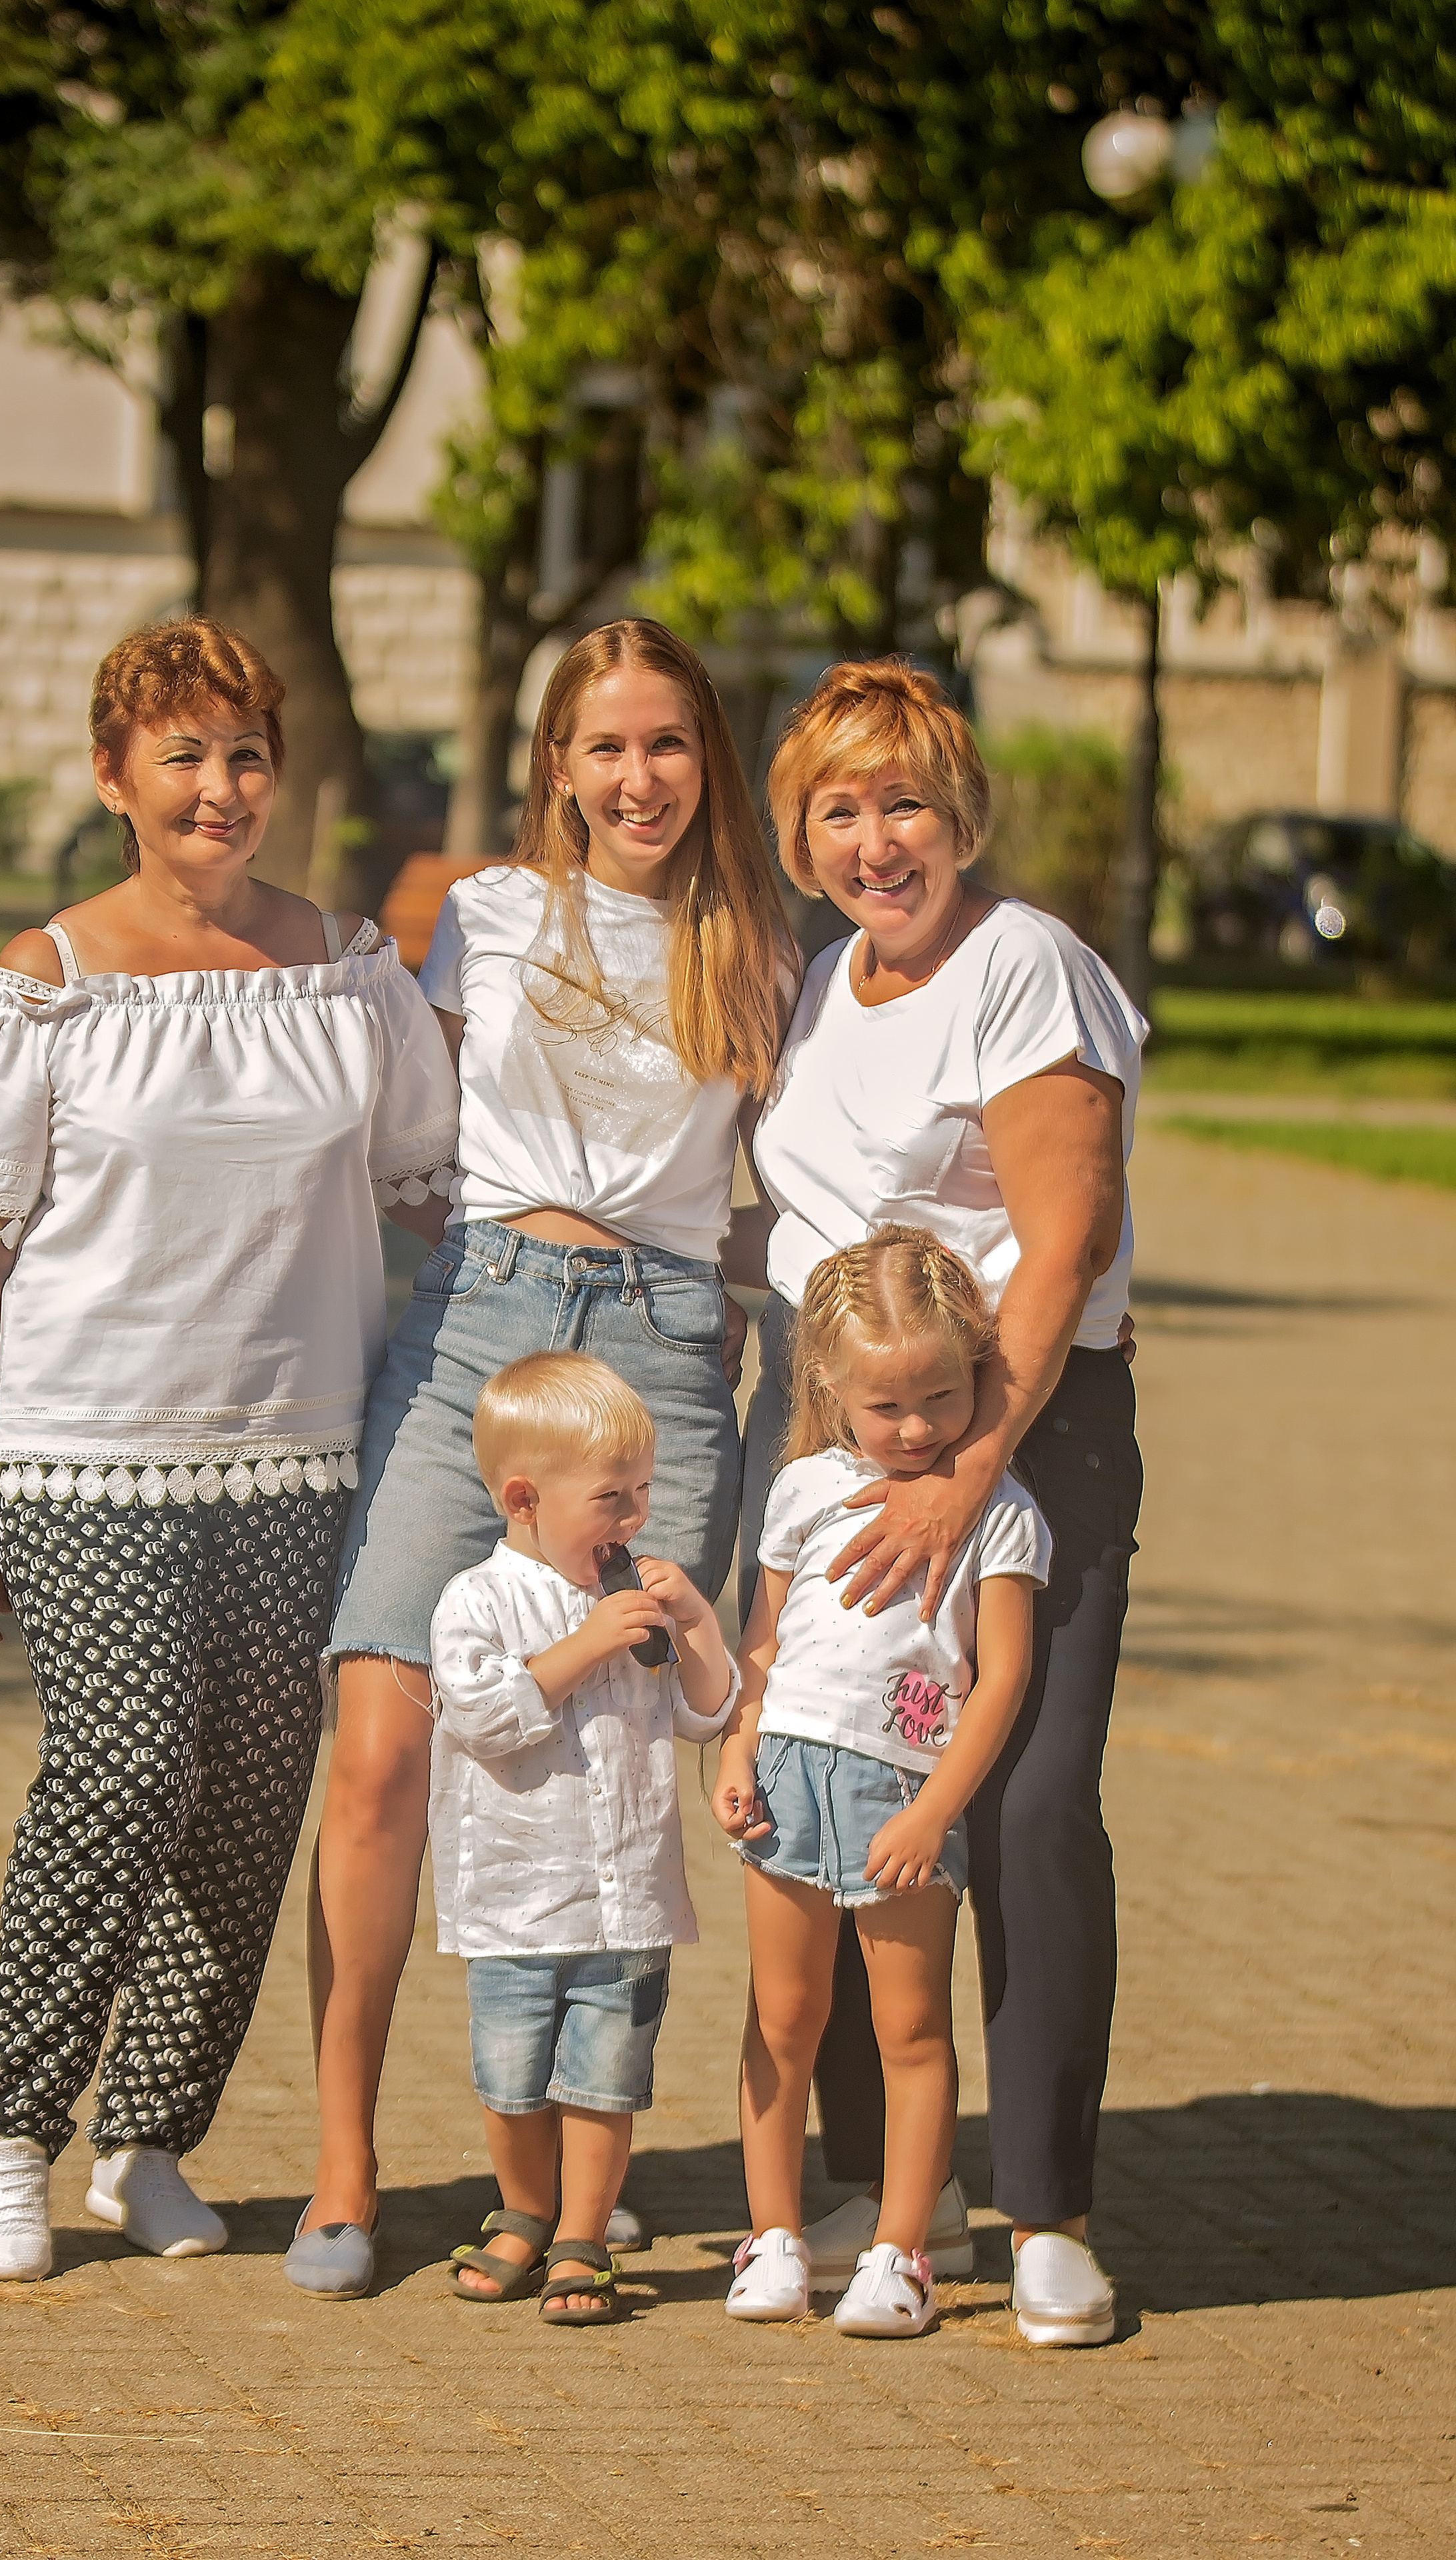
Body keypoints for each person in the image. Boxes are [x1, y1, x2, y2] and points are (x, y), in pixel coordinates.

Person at [0, 615, 459, 2283]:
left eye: (243, 756)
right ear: (115, 777)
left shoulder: (351, 976)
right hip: (81, 1458)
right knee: (127, 1765)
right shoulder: (49, 987)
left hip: (303, 1458)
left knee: (245, 1807)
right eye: (182, 757)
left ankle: (149, 2137)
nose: (219, 789)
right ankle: (12, 2135)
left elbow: (429, 1200)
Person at [288, 617, 800, 2299]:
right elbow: (400, 1138)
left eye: (665, 743)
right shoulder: (488, 916)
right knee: (380, 1746)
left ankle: (580, 2177)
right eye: (603, 746)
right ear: (557, 766)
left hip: (655, 1344)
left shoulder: (757, 944)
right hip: (477, 1324)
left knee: (621, 1760)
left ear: (701, 758)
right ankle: (345, 2167)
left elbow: (801, 1190)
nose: (636, 776)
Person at [729, 658, 1145, 2347]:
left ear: (957, 811)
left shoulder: (1022, 966)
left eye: (903, 801)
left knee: (1024, 1808)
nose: (874, 838)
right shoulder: (827, 981)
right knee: (834, 1782)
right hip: (843, 1445)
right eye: (837, 807)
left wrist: (966, 1482)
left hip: (1017, 1443)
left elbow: (1066, 1244)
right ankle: (877, 2189)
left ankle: (1044, 2208)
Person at [713, 1228, 1049, 2333]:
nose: (915, 1431)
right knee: (782, 2018)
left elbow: (999, 1680)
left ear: (981, 1372)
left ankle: (903, 2251)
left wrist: (936, 1809)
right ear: (830, 1388)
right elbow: (762, 1639)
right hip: (785, 1780)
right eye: (886, 1408)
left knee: (910, 2030)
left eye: (942, 1398)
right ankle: (771, 2239)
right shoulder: (805, 1485)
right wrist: (735, 1745)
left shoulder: (999, 1512)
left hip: (903, 1793)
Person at [428, 1353, 737, 2325]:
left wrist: (693, 1624)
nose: (634, 1520)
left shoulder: (637, 1598)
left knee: (607, 2081)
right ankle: (523, 2209)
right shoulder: (475, 1601)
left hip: (630, 1896)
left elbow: (710, 1710)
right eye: (612, 1498)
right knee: (515, 2080)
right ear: (524, 1498)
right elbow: (481, 1716)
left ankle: (585, 2235)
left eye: (643, 1493)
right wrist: (588, 1644)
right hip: (516, 1897)